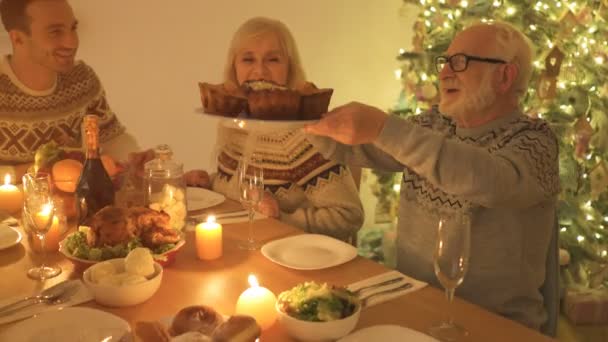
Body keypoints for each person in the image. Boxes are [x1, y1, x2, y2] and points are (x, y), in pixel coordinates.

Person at [305, 21, 559, 330]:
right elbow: (352, 147)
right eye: (445, 61)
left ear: (504, 76)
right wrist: (296, 114)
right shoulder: (435, 125)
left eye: (460, 62)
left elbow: (489, 182)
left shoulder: (535, 141)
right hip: (414, 308)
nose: (444, 73)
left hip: (494, 326)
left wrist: (384, 127)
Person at [196, 17, 364, 241]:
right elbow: (241, 186)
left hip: (288, 258)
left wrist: (282, 218)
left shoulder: (304, 136)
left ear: (290, 68)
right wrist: (208, 183)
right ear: (234, 67)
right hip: (241, 246)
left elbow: (348, 216)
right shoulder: (234, 123)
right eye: (248, 59)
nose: (260, 71)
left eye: (273, 60)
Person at [0, 0, 140, 180]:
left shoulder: (81, 78)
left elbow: (111, 138)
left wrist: (135, 160)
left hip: (73, 205)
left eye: (73, 28)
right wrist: (45, 169)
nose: (72, 42)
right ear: (18, 38)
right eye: (55, 32)